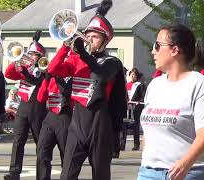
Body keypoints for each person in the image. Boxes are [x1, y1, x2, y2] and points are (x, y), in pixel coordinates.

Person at [47, 0, 127, 179]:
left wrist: (83, 53)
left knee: (100, 175)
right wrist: (65, 47)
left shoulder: (112, 62)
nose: (89, 39)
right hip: (77, 123)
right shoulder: (77, 59)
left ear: (105, 40)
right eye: (87, 35)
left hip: (100, 123)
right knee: (67, 174)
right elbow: (52, 70)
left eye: (95, 36)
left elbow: (101, 76)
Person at [137, 24, 204, 180]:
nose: (153, 51)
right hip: (148, 171)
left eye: (158, 45)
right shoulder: (154, 85)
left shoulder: (198, 84)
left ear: (175, 50)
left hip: (186, 173)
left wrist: (184, 164)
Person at [4, 31, 48, 180]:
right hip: (23, 107)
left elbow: (36, 81)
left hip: (38, 109)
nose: (31, 55)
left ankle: (42, 175)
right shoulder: (25, 69)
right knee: (18, 140)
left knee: (40, 144)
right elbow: (8, 74)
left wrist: (25, 67)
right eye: (29, 53)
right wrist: (18, 60)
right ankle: (14, 172)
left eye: (34, 54)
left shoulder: (43, 71)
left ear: (40, 56)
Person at [36, 74, 73, 180]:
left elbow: (66, 93)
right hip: (50, 116)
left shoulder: (72, 78)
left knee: (66, 154)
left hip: (65, 116)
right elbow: (40, 98)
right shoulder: (51, 79)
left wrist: (58, 78)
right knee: (42, 152)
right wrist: (47, 79)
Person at [121, 68, 146, 151]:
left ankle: (136, 145)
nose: (132, 76)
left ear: (137, 76)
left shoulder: (140, 85)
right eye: (131, 74)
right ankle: (122, 144)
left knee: (136, 126)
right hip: (127, 108)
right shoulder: (126, 85)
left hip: (136, 108)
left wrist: (139, 102)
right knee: (124, 126)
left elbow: (143, 97)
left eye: (134, 74)